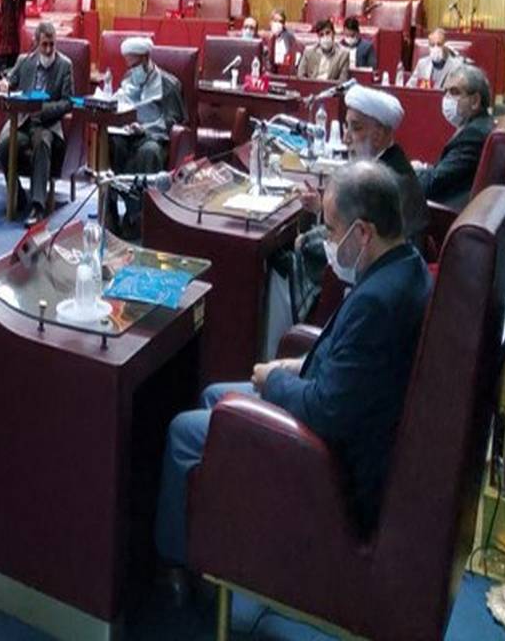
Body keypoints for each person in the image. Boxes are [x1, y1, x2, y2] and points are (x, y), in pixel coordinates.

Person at [155, 161, 431, 598]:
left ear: (363, 232)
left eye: (332, 230)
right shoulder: (407, 266)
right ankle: (218, 526)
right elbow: (352, 367)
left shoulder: (379, 302)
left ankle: (175, 564)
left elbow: (327, 411)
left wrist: (273, 381)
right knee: (212, 394)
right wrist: (298, 366)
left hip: (330, 459)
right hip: (341, 407)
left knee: (183, 432)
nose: (328, 243)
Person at [287, 85, 428, 322]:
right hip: (393, 278)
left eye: (356, 127)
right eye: (346, 126)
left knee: (293, 254)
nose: (346, 138)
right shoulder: (392, 163)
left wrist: (307, 238)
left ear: (379, 135)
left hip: (380, 291)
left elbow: (362, 242)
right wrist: (322, 209)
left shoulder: (386, 181)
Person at [0, 21, 74, 227]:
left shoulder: (65, 65)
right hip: (23, 121)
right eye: (44, 45)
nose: (48, 50)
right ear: (36, 43)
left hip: (47, 124)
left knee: (42, 144)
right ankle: (17, 193)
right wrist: (5, 84)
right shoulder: (25, 61)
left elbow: (68, 102)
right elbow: (10, 80)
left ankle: (38, 206)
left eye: (52, 45)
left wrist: (42, 110)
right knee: (3, 147)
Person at [105, 36, 186, 237]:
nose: (133, 70)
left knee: (148, 152)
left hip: (155, 139)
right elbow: (121, 105)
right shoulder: (128, 79)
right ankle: (109, 211)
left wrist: (145, 129)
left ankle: (137, 216)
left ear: (146, 58)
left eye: (136, 65)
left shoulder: (168, 83)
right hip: (129, 135)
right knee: (108, 144)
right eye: (129, 66)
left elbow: (174, 120)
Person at [414, 64, 496, 210]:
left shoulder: (473, 136)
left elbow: (431, 186)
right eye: (445, 92)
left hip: (447, 213)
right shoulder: (480, 125)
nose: (447, 99)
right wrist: (426, 169)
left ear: (475, 101)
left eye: (454, 92)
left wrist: (413, 172)